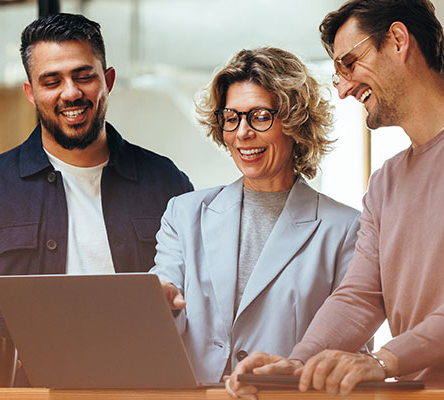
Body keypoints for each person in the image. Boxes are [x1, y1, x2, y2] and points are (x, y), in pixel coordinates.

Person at [228, 0, 444, 397]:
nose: (342, 89)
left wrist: (381, 361)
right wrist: (299, 363)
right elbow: (360, 297)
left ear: (397, 40)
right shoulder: (386, 181)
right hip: (421, 394)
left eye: (350, 64)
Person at [0, 13, 194, 394]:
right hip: (22, 395)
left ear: (107, 81)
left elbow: (201, 294)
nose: (71, 92)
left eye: (83, 76)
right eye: (52, 81)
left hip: (142, 391)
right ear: (31, 91)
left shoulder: (166, 183)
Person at [150, 47, 361, 383]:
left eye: (260, 116)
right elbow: (166, 294)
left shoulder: (345, 228)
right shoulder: (184, 213)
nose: (242, 133)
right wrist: (156, 302)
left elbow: (352, 348)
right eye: (231, 118)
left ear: (294, 122)